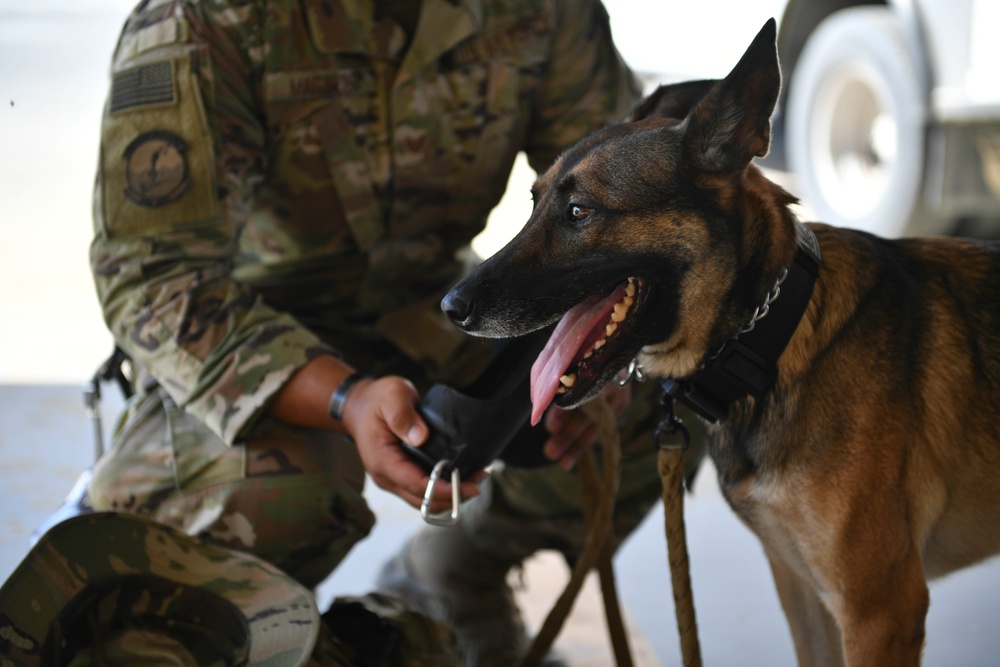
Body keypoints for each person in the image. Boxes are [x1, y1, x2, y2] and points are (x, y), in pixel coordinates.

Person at [83, 0, 688, 663]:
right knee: (271, 497)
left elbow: (621, 193)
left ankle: (454, 577)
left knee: (671, 387)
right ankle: (239, 628)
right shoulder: (207, 19)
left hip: (433, 304)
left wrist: (596, 351)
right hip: (254, 325)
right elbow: (155, 277)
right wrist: (346, 398)